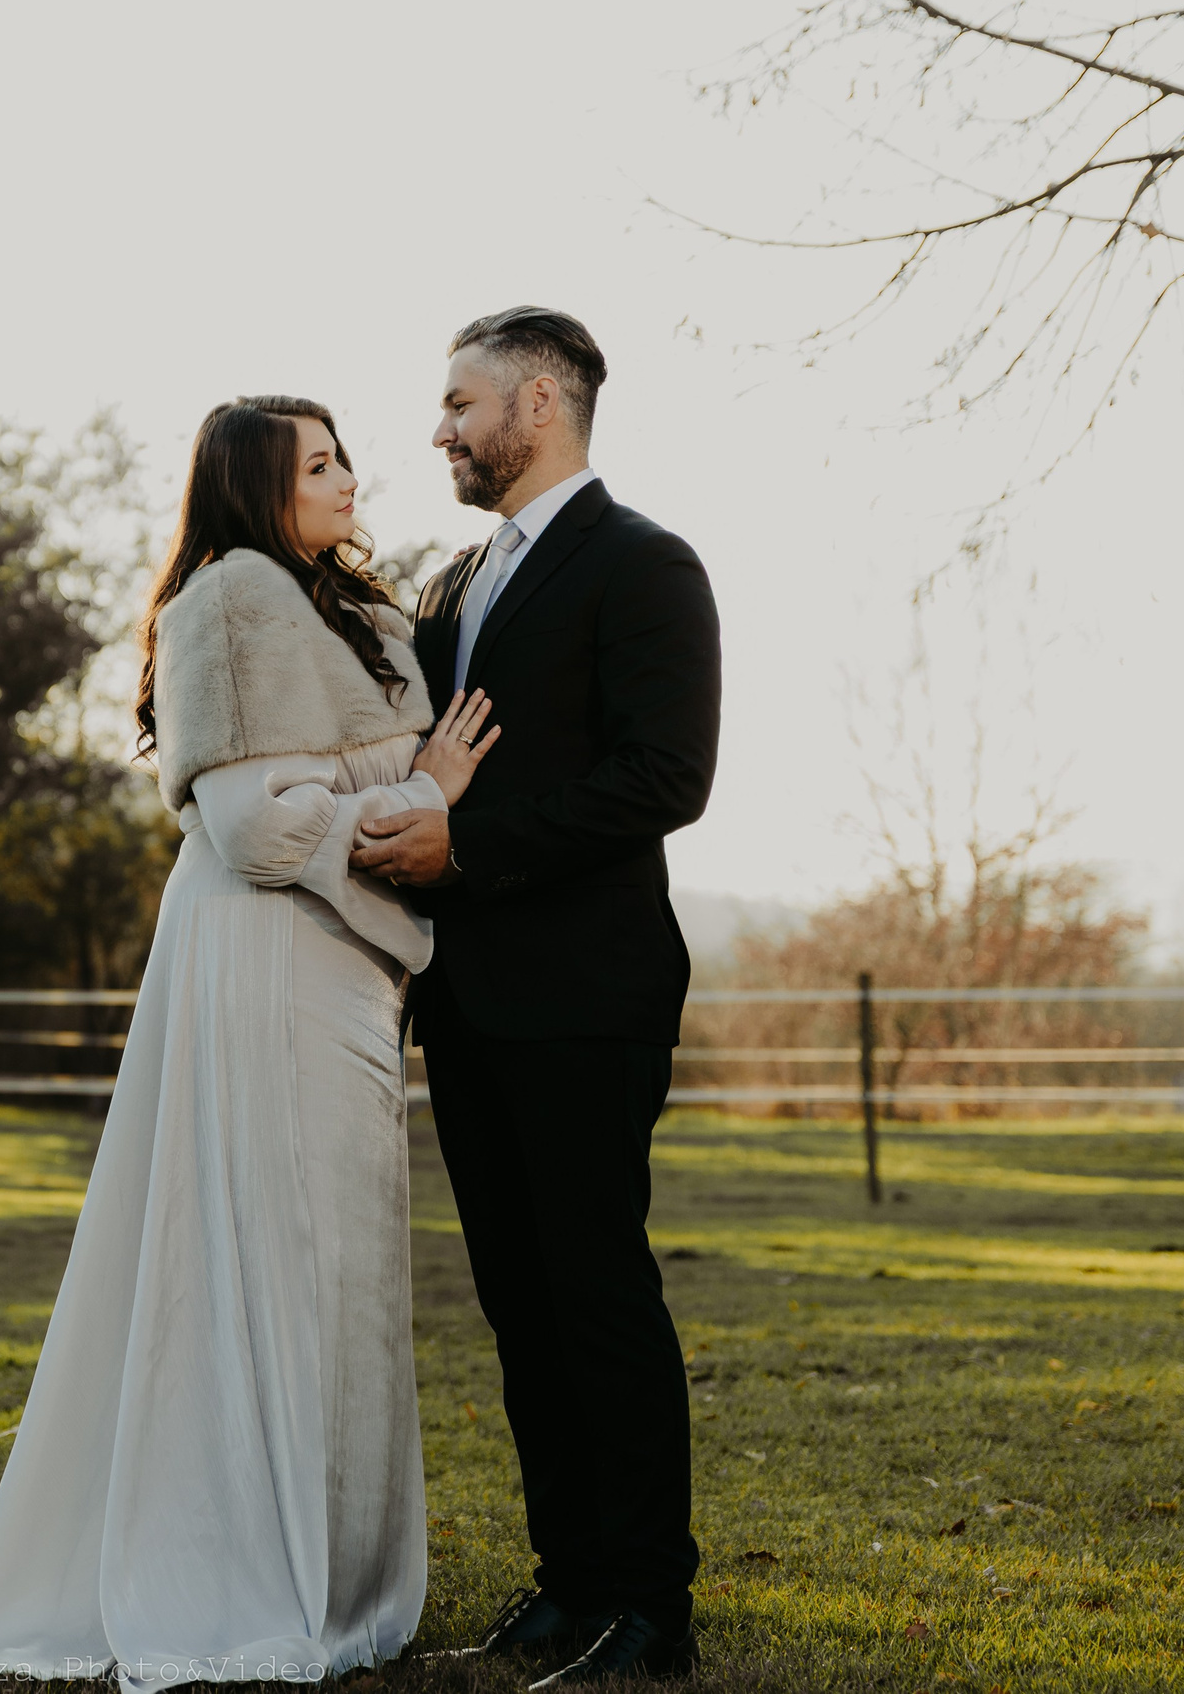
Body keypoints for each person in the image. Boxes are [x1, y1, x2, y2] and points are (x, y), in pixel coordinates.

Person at [0, 395, 498, 1692]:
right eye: (318, 464)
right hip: (268, 956)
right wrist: (430, 796)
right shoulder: (229, 603)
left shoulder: (349, 608)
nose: (347, 478)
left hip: (344, 965)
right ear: (253, 487)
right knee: (278, 1253)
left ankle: (341, 1578)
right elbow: (261, 830)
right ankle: (248, 1569)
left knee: (341, 1269)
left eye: (343, 456)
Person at [353, 307, 722, 1687]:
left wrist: (475, 847)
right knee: (516, 1297)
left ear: (542, 406)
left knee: (596, 1290)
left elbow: (665, 777)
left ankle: (652, 1609)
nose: (441, 431)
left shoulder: (644, 564)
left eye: (461, 405)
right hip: (470, 1004)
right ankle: (567, 1587)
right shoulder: (451, 583)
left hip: (588, 996)